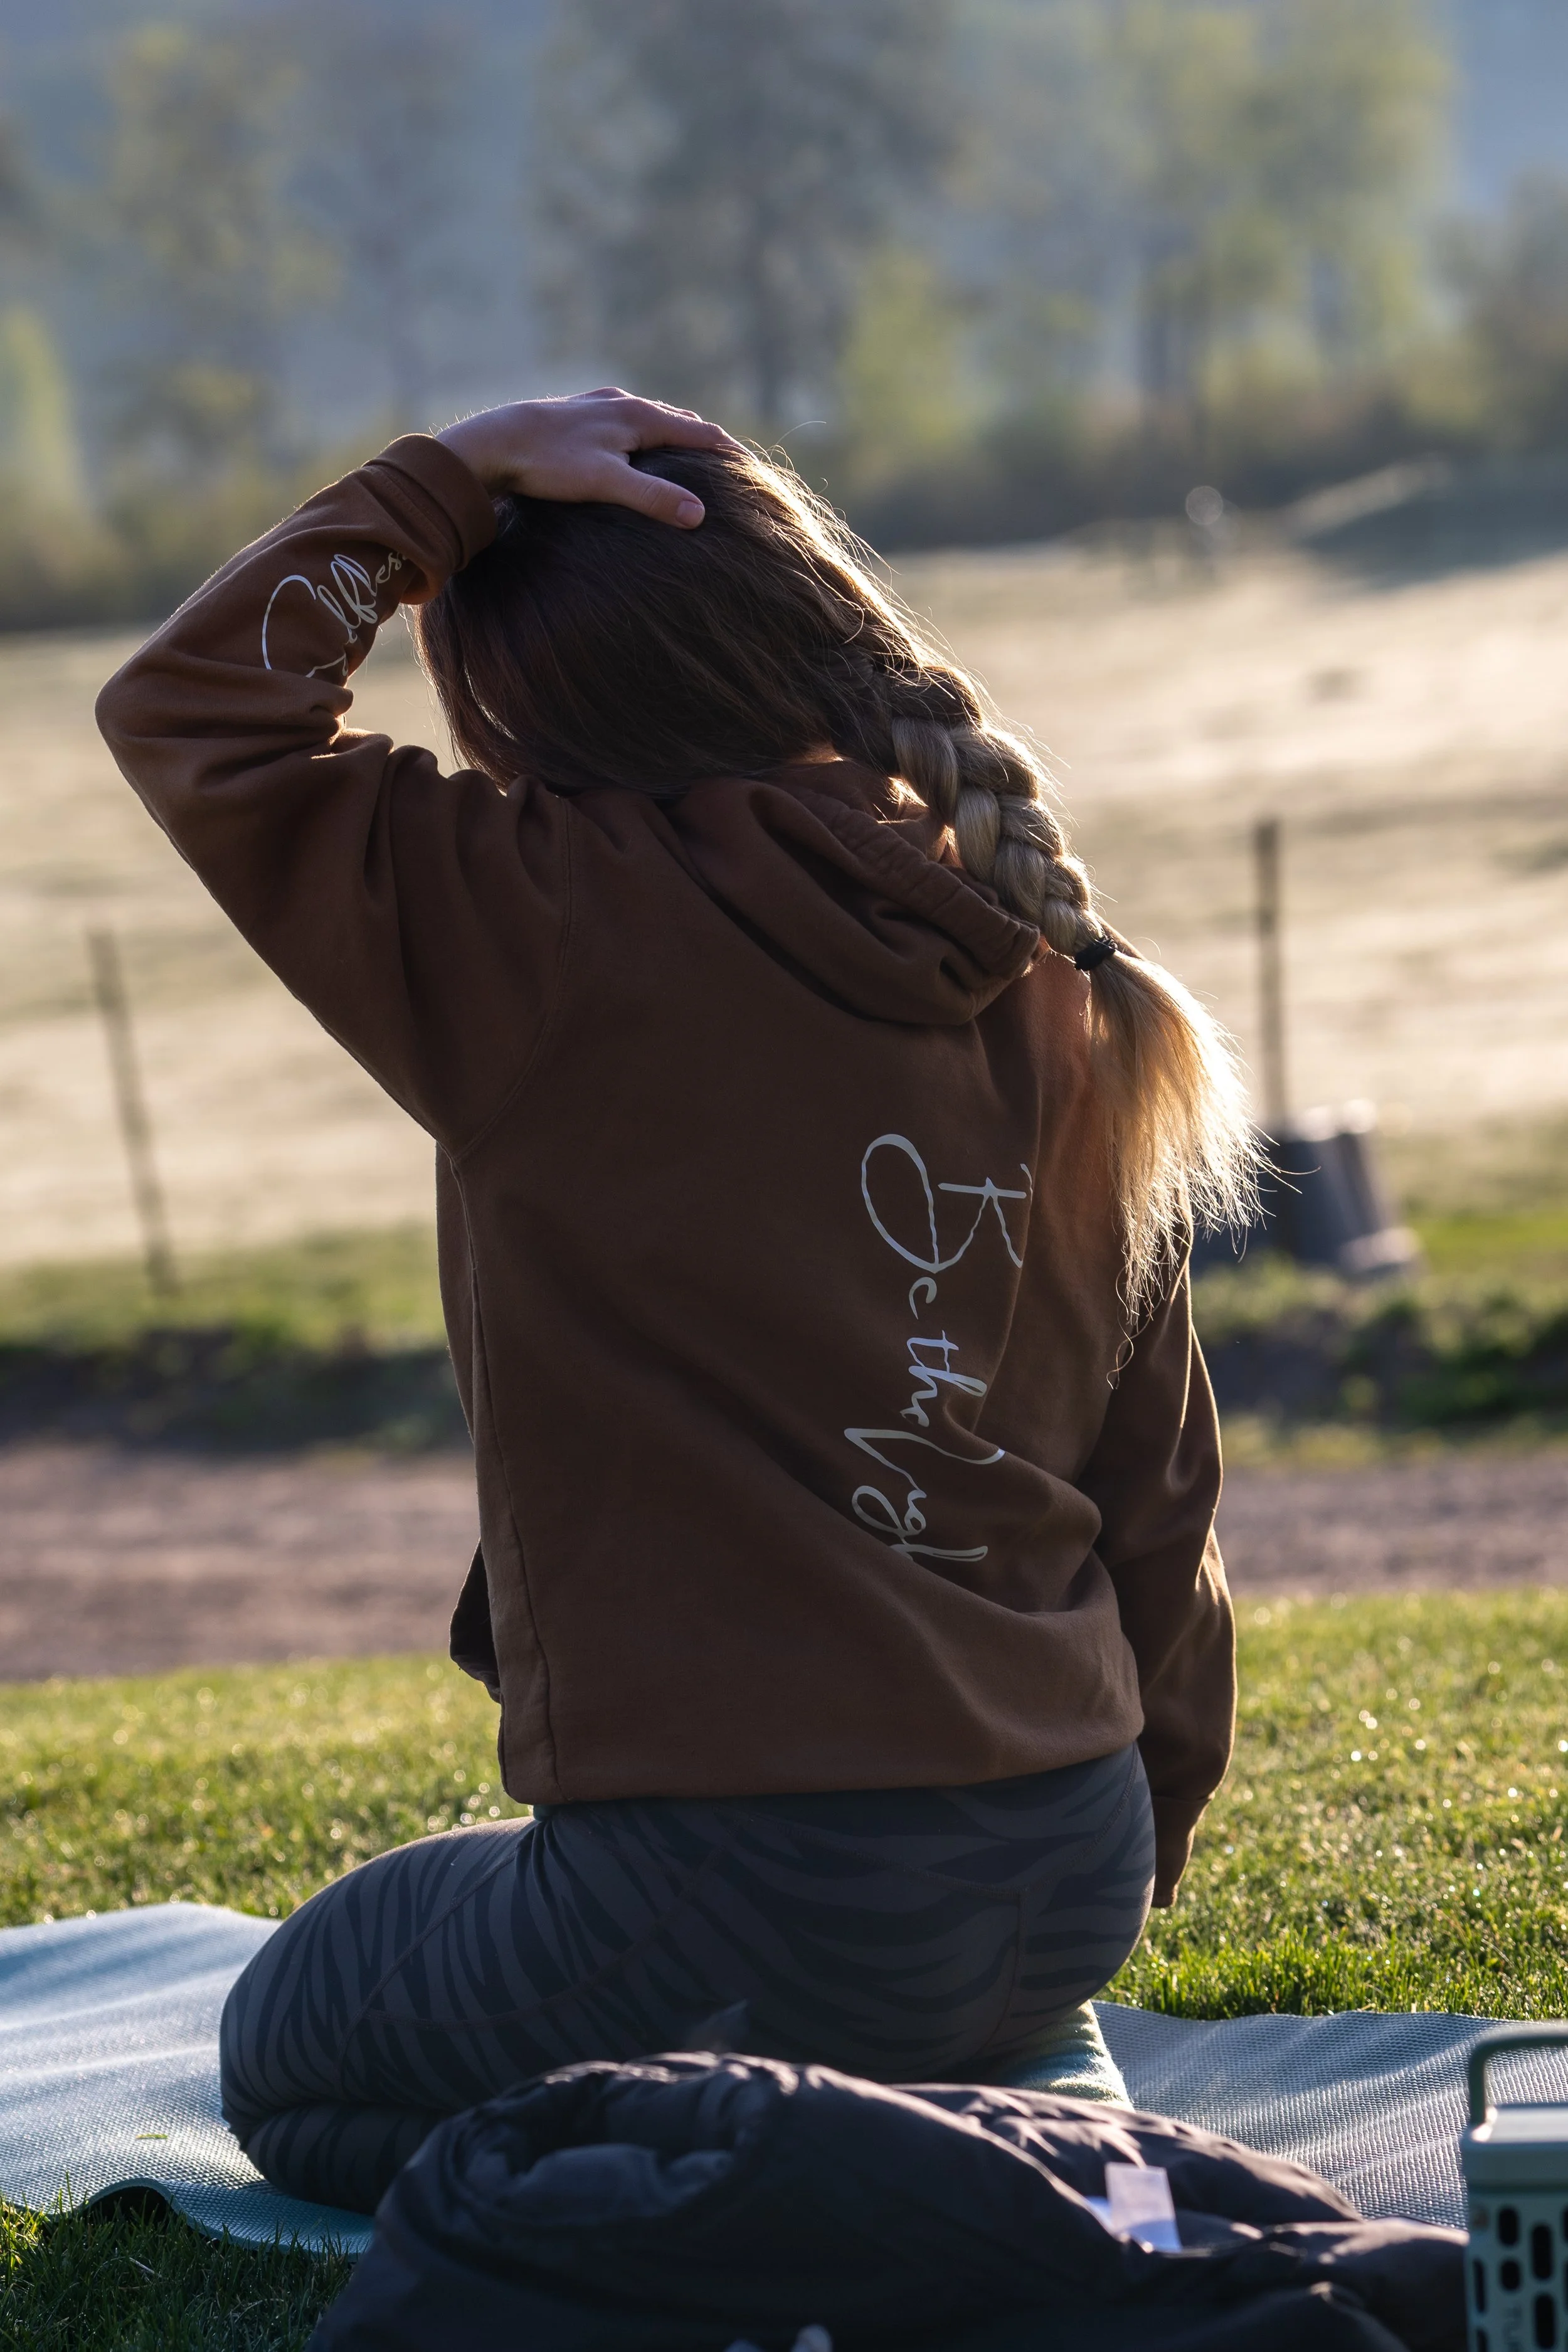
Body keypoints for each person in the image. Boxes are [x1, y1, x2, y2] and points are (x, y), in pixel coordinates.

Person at [97, 389, 1254, 2217]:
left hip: (751, 1891)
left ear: (510, 704)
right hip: (1070, 1857)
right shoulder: (1064, 967)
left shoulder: (541, 916)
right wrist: (1105, 1865)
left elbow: (193, 709)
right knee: (767, 1979)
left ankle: (788, 2203)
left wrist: (441, 486)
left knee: (288, 2057)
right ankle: (926, 2105)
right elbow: (1159, 1494)